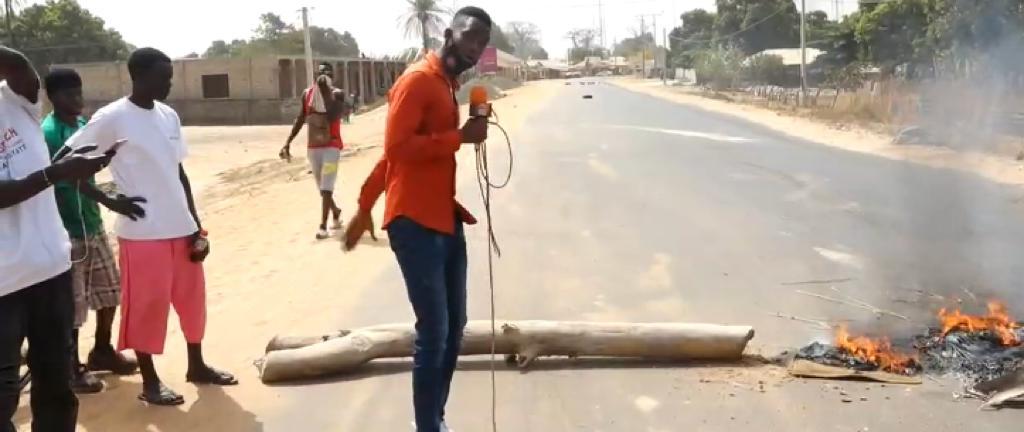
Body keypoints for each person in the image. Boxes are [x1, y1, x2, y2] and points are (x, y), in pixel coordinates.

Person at [344, 7, 492, 432]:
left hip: (444, 218)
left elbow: (393, 156)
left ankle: (434, 419)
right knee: (435, 330)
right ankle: (427, 427)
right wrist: (458, 138)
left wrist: (364, 204)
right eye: (470, 37)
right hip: (415, 223)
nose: (476, 48)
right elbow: (399, 148)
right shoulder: (417, 81)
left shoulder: (447, 84)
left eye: (482, 43)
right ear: (449, 33)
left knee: (454, 328)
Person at [67, 47, 237, 407]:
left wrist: (196, 224)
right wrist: (111, 200)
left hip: (181, 228)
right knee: (146, 307)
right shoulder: (112, 117)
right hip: (143, 234)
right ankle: (151, 381)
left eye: (170, 76)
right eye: (164, 76)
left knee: (193, 304)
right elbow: (66, 163)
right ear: (139, 75)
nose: (170, 83)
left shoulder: (169, 116)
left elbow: (178, 172)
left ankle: (197, 366)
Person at [0, 46, 115, 432]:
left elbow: (17, 63)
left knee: (56, 383)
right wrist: (57, 173)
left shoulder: (15, 101)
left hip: (50, 269)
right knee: (3, 393)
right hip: (2, 284)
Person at [41, 68, 143, 394]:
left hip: (92, 224)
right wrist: (111, 201)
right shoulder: (51, 132)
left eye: (79, 93)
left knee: (110, 291)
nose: (77, 100)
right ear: (52, 97)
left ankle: (102, 350)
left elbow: (96, 164)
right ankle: (72, 368)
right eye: (70, 95)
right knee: (73, 305)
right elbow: (71, 179)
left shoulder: (84, 127)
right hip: (67, 227)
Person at [280, 62, 346, 240]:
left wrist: (325, 93)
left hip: (332, 147)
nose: (323, 76)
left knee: (327, 186)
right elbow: (301, 117)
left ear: (332, 76)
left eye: (327, 73)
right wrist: (288, 142)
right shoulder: (307, 94)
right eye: (321, 73)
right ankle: (336, 211)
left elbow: (333, 115)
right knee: (321, 187)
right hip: (314, 148)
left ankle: (324, 226)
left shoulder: (337, 94)